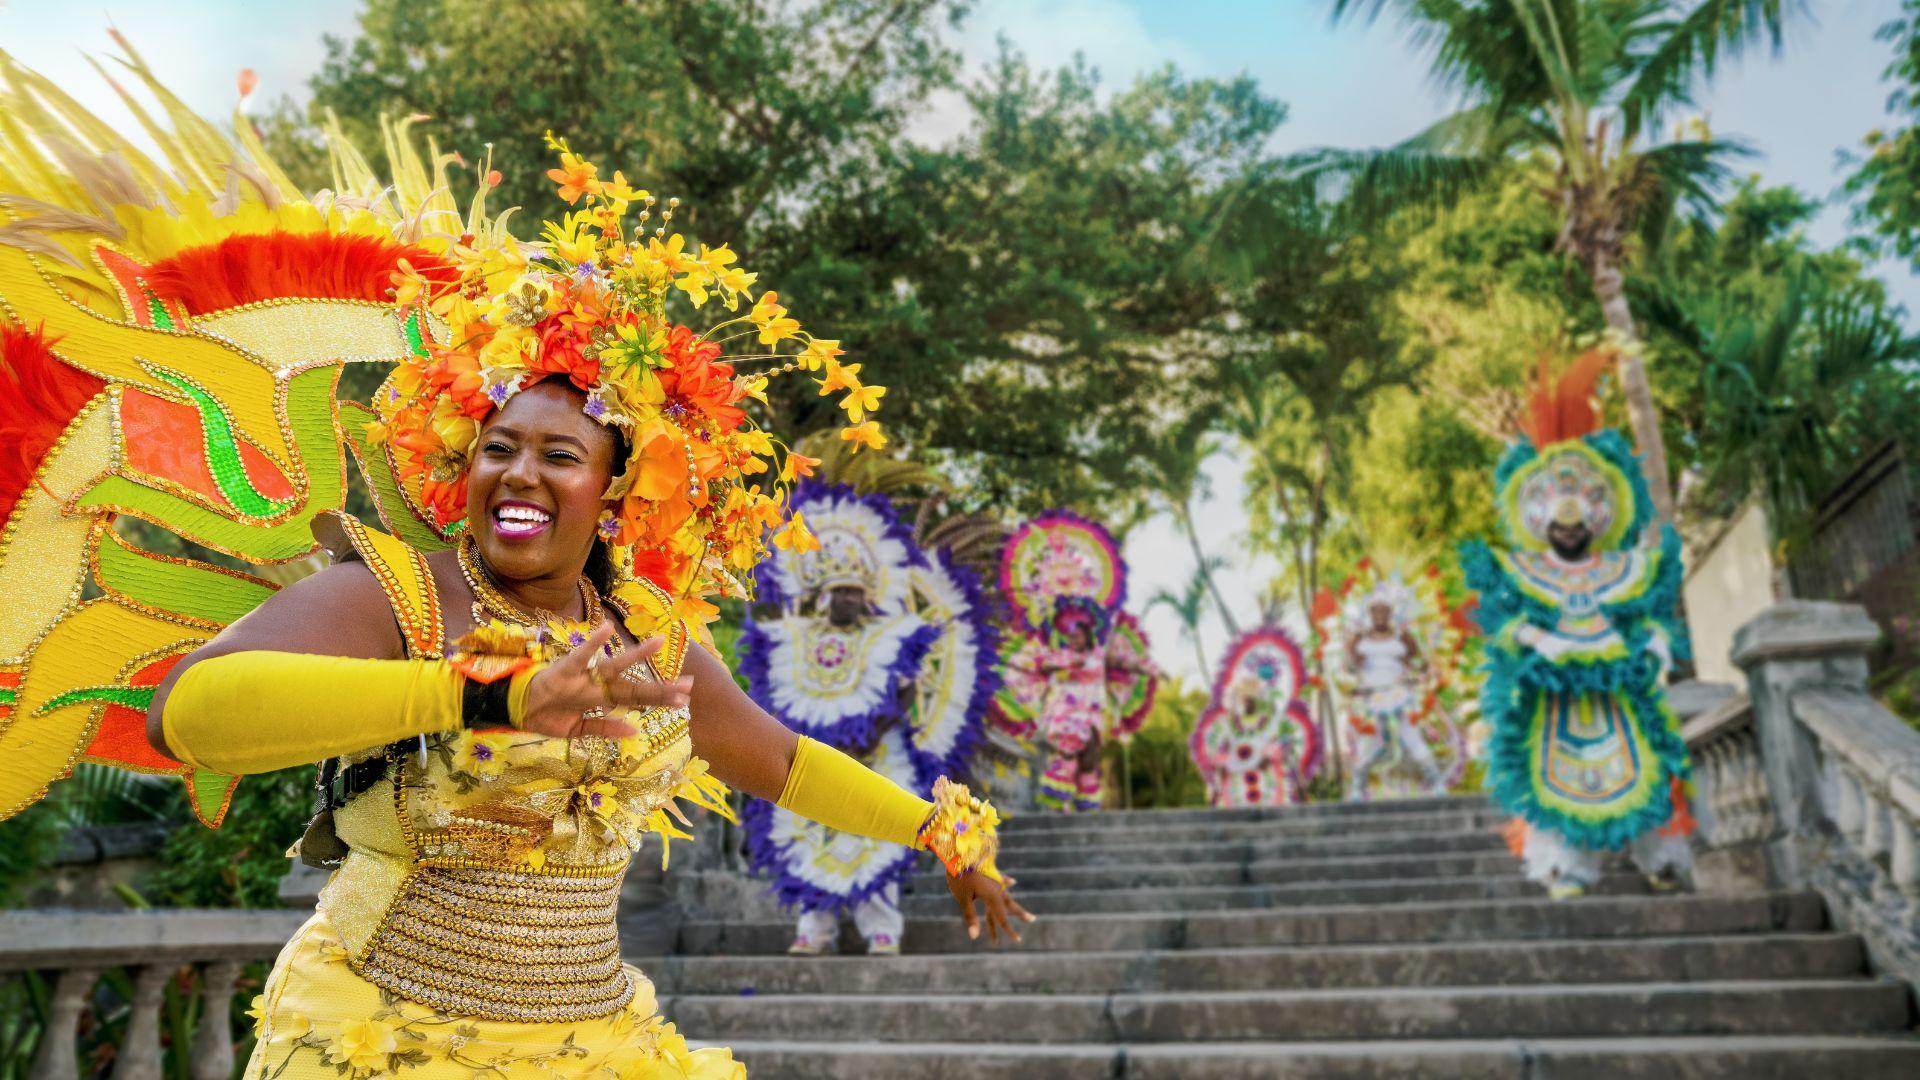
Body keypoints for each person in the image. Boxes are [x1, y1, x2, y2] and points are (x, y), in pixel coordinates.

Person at [0, 48, 1028, 1076]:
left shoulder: (645, 636)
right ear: (467, 459)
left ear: (617, 490)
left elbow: (785, 761)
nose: (520, 473)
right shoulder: (399, 595)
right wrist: (481, 694)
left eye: (560, 456)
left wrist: (938, 833)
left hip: (595, 1048)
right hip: (387, 1041)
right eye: (499, 447)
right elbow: (188, 712)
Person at [1462, 350, 1695, 900]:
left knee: (1644, 762)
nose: (1569, 528)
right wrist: (1540, 640)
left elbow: (1646, 617)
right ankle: (1564, 868)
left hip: (1620, 687)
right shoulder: (1522, 572)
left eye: (1579, 519)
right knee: (1553, 773)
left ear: (1599, 515)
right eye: (1559, 521)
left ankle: (1661, 858)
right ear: (1538, 518)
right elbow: (1502, 624)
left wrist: (1657, 645)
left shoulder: (1625, 568)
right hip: (1553, 693)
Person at [738, 478, 998, 957]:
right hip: (812, 756)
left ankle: (882, 931)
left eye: (857, 592)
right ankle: (814, 931)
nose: (850, 599)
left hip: (879, 753)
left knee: (880, 835)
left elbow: (904, 692)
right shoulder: (792, 640)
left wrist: (869, 734)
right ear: (825, 594)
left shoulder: (892, 637)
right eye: (841, 592)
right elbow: (776, 700)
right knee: (806, 836)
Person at [1189, 627, 1319, 806]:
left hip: (1267, 782)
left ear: (1258, 698)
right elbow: (1217, 752)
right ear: (1237, 699)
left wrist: (1270, 756)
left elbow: (1282, 744)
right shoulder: (1228, 723)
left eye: (1252, 698)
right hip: (1236, 785)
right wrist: (1219, 776)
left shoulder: (1270, 721)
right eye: (1245, 698)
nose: (1249, 702)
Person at [1344, 582, 1447, 799]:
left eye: (1384, 611)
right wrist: (1353, 665)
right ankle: (1357, 788)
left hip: (1400, 694)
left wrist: (1418, 674)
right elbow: (1349, 667)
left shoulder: (1402, 636)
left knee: (1413, 739)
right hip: (1372, 697)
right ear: (1370, 614)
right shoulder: (1359, 638)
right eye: (1376, 611)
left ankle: (1437, 784)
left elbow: (1419, 663)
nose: (1380, 615)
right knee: (1368, 744)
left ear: (1391, 614)